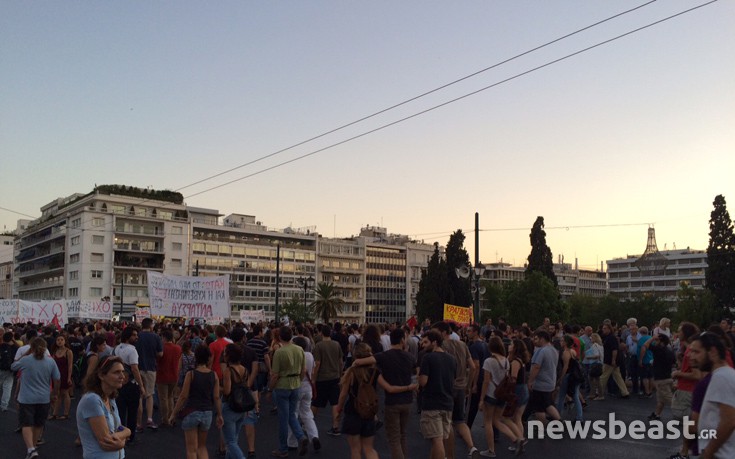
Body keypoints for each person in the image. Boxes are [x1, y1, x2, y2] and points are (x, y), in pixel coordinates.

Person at [351, 328, 417, 459]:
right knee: (403, 435)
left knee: (394, 438)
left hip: (392, 402)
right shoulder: (410, 357)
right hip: (408, 401)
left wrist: (355, 363)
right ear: (402, 340)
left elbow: (361, 362)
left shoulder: (384, 356)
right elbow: (415, 375)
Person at [431, 321, 480, 459]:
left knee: (446, 423)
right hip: (461, 387)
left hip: (446, 388)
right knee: (459, 421)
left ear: (443, 333)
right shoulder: (463, 345)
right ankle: (472, 447)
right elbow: (473, 367)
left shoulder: (441, 347)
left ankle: (448, 455)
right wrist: (468, 385)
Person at [169, 344, 224, 459]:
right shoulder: (214, 375)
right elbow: (216, 397)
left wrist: (173, 414)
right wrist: (219, 414)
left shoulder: (191, 374)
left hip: (191, 411)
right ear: (209, 358)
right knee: (202, 447)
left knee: (191, 449)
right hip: (207, 412)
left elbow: (183, 396)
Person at [11, 337, 60, 459]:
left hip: (26, 398)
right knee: (39, 423)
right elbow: (57, 379)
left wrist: (25, 355)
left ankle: (30, 449)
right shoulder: (51, 361)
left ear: (31, 348)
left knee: (26, 424)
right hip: (44, 398)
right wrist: (54, 393)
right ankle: (33, 447)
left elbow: (13, 366)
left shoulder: (26, 360)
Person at [689, 332, 735, 458]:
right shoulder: (721, 375)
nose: (690, 356)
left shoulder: (722, 377)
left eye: (696, 352)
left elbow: (729, 421)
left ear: (713, 352)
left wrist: (708, 452)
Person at [76, 355, 131, 458]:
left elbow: (117, 427)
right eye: (116, 372)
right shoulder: (92, 400)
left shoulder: (110, 398)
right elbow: (106, 442)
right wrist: (123, 441)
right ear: (101, 375)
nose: (122, 376)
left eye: (122, 372)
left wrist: (127, 431)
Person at [479, 336, 524, 457]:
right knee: (497, 420)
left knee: (488, 422)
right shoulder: (506, 360)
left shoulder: (488, 361)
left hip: (490, 394)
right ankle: (516, 439)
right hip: (502, 395)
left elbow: (486, 381)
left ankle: (491, 450)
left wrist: (481, 399)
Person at [269, 325, 309, 457]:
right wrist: (298, 380)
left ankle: (283, 448)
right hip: (296, 384)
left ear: (280, 337)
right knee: (292, 414)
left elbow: (275, 375)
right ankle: (300, 436)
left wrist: (270, 389)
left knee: (283, 419)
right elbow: (303, 371)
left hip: (282, 385)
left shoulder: (279, 352)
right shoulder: (299, 349)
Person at [418, 330, 456, 459]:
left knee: (437, 440)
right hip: (447, 403)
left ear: (434, 342)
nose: (423, 345)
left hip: (432, 404)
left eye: (426, 342)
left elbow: (423, 382)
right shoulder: (452, 359)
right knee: (439, 439)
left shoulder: (428, 358)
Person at [287, 337, 320, 454]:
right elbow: (313, 370)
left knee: (293, 414)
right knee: (307, 413)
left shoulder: (296, 354)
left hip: (297, 386)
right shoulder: (310, 355)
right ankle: (314, 436)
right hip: (308, 387)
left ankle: (292, 442)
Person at [112, 327, 145, 444]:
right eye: (134, 335)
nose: (137, 337)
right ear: (128, 336)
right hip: (131, 384)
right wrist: (141, 386)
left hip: (119, 383)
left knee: (120, 411)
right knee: (132, 412)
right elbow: (135, 369)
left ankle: (120, 434)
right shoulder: (132, 350)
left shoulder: (116, 349)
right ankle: (130, 436)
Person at [312, 325, 344, 436]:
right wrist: (340, 374)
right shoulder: (337, 344)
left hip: (322, 377)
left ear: (321, 333)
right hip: (335, 377)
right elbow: (340, 362)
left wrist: (313, 379)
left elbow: (317, 364)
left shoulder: (319, 346)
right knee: (335, 402)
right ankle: (335, 426)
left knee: (316, 402)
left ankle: (309, 422)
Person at [221, 343, 252, 459]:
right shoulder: (244, 370)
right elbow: (247, 387)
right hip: (242, 407)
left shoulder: (228, 371)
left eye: (225, 353)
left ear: (229, 356)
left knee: (230, 442)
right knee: (234, 439)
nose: (224, 355)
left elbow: (227, 391)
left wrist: (218, 387)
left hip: (230, 407)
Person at [527, 330, 561, 423]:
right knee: (548, 404)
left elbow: (536, 366)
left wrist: (530, 381)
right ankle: (559, 421)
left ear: (542, 339)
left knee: (539, 408)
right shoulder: (554, 350)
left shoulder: (541, 351)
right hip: (550, 382)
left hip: (540, 384)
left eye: (536, 339)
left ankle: (544, 426)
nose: (534, 341)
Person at [135, 318, 163, 431]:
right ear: (151, 326)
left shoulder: (137, 336)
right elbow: (160, 354)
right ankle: (150, 419)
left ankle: (138, 421)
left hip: (137, 367)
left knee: (139, 395)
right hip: (151, 368)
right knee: (150, 394)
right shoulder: (156, 337)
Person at [157, 329, 182, 427]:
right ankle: (172, 417)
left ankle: (165, 419)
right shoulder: (178, 348)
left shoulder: (162, 348)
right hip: (174, 375)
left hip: (162, 375)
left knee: (163, 399)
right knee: (170, 397)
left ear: (163, 337)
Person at [49, 334, 74, 420]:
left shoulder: (68, 352)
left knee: (65, 393)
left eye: (61, 340)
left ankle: (66, 414)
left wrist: (69, 377)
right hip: (56, 375)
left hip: (64, 374)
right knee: (57, 393)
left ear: (65, 341)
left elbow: (70, 365)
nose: (60, 341)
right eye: (58, 340)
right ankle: (55, 413)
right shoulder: (54, 351)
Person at [0, 331, 19, 412]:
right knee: (7, 388)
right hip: (10, 370)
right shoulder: (15, 348)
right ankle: (4, 406)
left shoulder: (1, 346)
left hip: (1, 368)